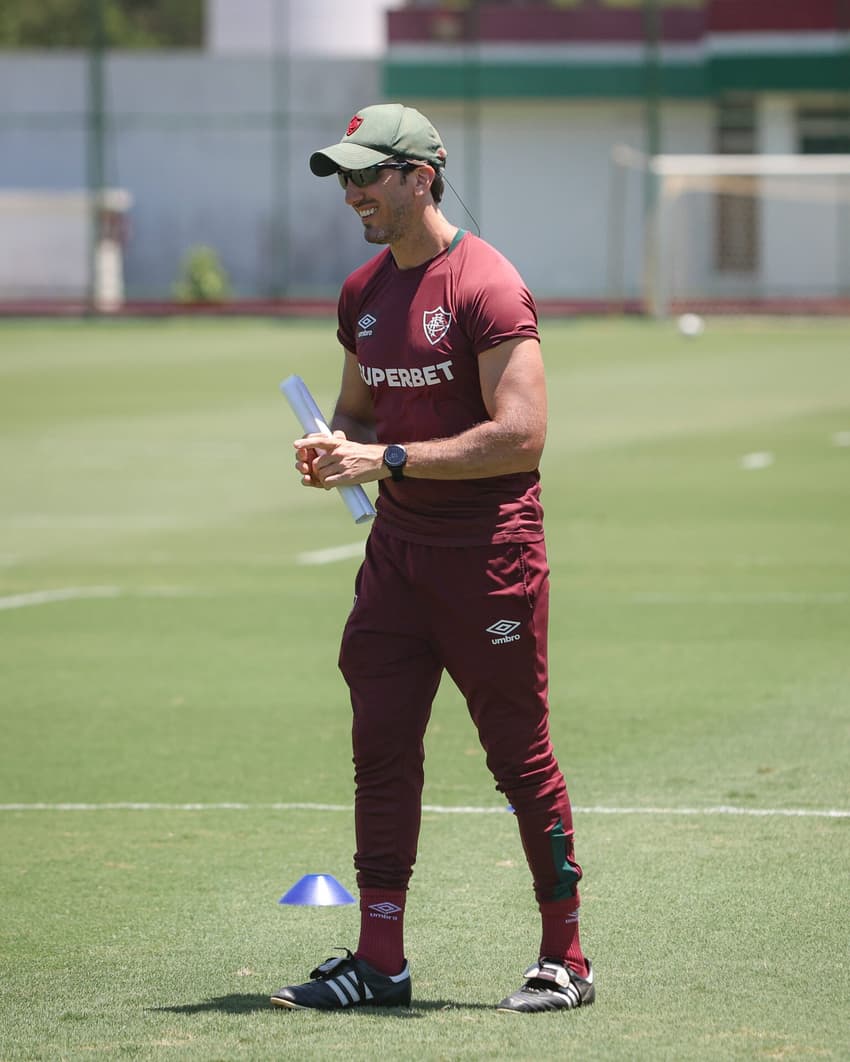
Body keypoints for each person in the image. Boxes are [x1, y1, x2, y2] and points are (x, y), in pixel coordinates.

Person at [271, 103, 594, 1015]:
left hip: (489, 557)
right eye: (344, 177)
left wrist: (388, 457)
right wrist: (336, 447)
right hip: (398, 557)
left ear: (422, 176)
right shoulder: (362, 293)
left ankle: (566, 957)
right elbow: (360, 413)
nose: (352, 193)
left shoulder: (488, 286)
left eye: (367, 175)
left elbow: (521, 436)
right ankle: (380, 961)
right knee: (379, 748)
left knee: (519, 758)